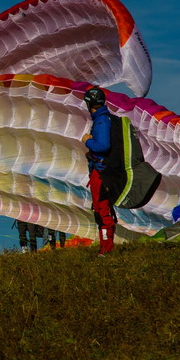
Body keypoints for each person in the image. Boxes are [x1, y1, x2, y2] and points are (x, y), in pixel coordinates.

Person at [81, 86, 117, 255]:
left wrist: (88, 141)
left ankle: (106, 250)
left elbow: (103, 145)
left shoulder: (102, 121)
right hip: (103, 172)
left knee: (102, 211)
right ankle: (105, 247)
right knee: (102, 210)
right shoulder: (105, 118)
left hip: (101, 173)